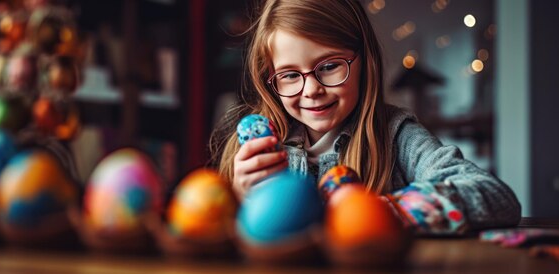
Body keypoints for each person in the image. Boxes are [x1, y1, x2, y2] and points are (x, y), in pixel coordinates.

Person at [208, 0, 520, 234]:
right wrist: (237, 199)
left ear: (364, 61)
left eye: (329, 66)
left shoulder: (396, 137)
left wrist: (377, 212)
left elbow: (494, 196)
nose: (312, 89)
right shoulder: (253, 151)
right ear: (270, 79)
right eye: (290, 75)